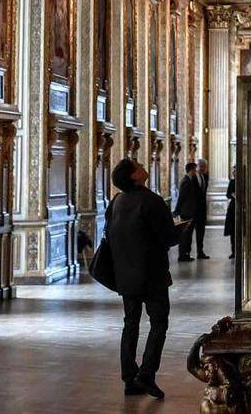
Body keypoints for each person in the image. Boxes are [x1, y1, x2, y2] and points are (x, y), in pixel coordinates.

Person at [107, 157, 186, 399]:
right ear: (135, 176)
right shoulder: (151, 201)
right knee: (159, 323)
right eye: (138, 166)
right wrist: (181, 229)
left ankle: (129, 378)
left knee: (130, 324)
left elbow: (109, 234)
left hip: (126, 275)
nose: (142, 166)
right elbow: (169, 237)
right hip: (152, 275)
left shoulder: (116, 202)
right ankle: (147, 374)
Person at [176, 159, 209, 261]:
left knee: (200, 233)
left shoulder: (204, 177)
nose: (203, 169)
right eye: (200, 167)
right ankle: (185, 254)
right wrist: (177, 210)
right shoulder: (187, 180)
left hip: (200, 212)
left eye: (205, 167)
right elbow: (182, 197)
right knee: (187, 235)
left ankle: (200, 252)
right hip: (190, 212)